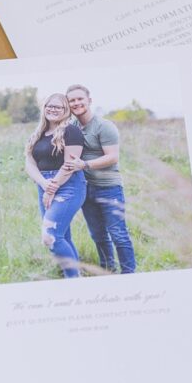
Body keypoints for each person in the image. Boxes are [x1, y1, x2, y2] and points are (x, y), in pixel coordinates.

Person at [62, 84, 136, 274]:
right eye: (72, 100)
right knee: (98, 235)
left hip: (108, 188)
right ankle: (107, 271)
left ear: (89, 100)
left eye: (80, 99)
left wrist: (85, 165)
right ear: (68, 104)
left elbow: (112, 157)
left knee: (118, 234)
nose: (76, 103)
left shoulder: (104, 126)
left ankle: (129, 274)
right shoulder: (72, 128)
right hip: (85, 189)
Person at [24, 93, 86, 278]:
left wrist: (51, 188)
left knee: (50, 236)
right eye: (49, 106)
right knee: (62, 237)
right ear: (44, 108)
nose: (52, 109)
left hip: (69, 185)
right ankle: (77, 278)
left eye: (58, 107)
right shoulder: (38, 134)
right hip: (44, 183)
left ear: (66, 110)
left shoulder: (71, 131)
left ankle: (73, 280)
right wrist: (44, 184)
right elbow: (29, 163)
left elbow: (69, 164)